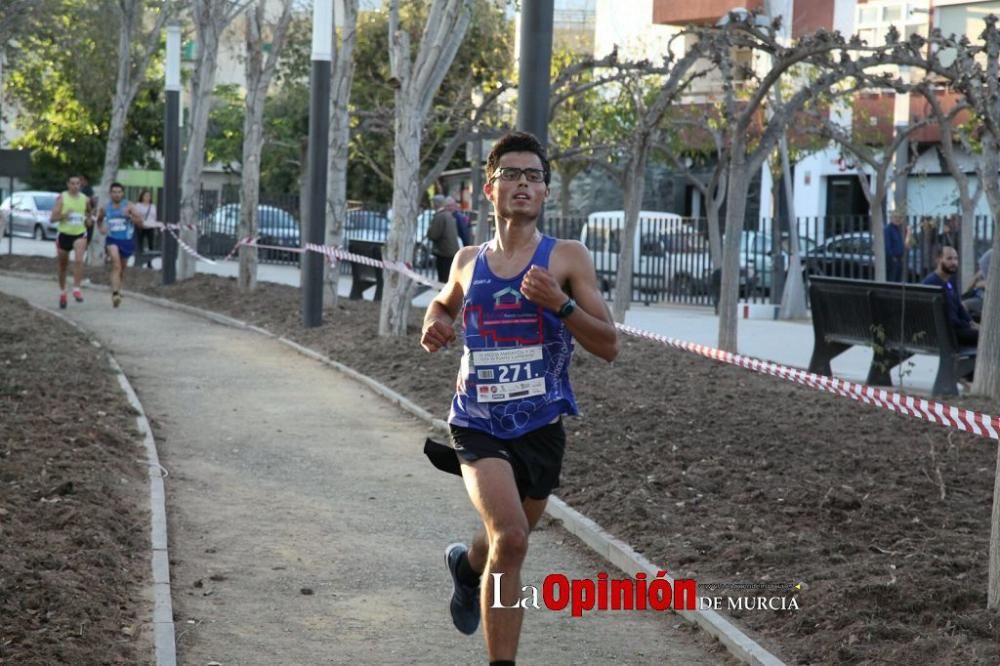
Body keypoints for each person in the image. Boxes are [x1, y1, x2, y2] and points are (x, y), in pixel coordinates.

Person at [420, 131, 619, 666]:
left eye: (534, 176)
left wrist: (561, 306)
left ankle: (466, 569)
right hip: (476, 421)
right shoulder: (467, 259)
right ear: (490, 189)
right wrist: (435, 323)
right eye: (512, 174)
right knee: (512, 538)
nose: (523, 184)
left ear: (546, 193)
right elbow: (441, 305)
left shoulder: (568, 258)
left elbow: (609, 345)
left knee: (502, 543)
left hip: (541, 425)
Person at [95, 182, 142, 308]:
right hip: (112, 240)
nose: (116, 194)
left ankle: (118, 290)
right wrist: (101, 228)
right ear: (110, 194)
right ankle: (115, 294)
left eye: (119, 192)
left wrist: (131, 217)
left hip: (126, 240)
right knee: (116, 265)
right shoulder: (105, 208)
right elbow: (98, 220)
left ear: (122, 193)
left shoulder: (129, 206)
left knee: (122, 268)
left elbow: (140, 222)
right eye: (114, 192)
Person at [50, 175, 94, 308]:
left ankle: (76, 289)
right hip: (64, 235)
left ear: (81, 185)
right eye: (72, 183)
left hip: (79, 234)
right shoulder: (62, 198)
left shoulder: (85, 199)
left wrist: (88, 221)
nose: (75, 186)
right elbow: (53, 218)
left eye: (77, 184)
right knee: (63, 266)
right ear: (68, 184)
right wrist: (64, 215)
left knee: (79, 260)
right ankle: (63, 292)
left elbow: (89, 218)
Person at [923, 246, 978, 349]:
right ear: (938, 259)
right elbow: (948, 318)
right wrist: (968, 326)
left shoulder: (950, 279)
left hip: (955, 328)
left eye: (956, 258)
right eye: (949, 259)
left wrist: (971, 322)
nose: (954, 262)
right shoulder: (932, 283)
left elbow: (959, 306)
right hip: (946, 334)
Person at [426, 193, 460, 283]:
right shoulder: (448, 215)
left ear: (437, 203)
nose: (432, 205)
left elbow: (434, 234)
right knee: (449, 277)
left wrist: (429, 232)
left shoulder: (440, 216)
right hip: (451, 251)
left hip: (443, 252)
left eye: (433, 203)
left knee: (443, 278)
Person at [134, 189, 158, 268]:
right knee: (139, 245)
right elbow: (136, 215)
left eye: (149, 196)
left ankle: (149, 262)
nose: (147, 197)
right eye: (146, 196)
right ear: (142, 197)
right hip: (141, 227)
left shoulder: (153, 206)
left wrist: (155, 226)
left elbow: (154, 217)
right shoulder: (138, 205)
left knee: (151, 245)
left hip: (150, 227)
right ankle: (138, 261)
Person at [884, 215, 910, 282]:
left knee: (898, 280)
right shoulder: (887, 229)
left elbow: (901, 244)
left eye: (899, 217)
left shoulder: (898, 229)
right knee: (892, 279)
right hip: (893, 260)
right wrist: (892, 258)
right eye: (895, 217)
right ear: (891, 218)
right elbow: (887, 246)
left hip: (899, 259)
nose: (898, 219)